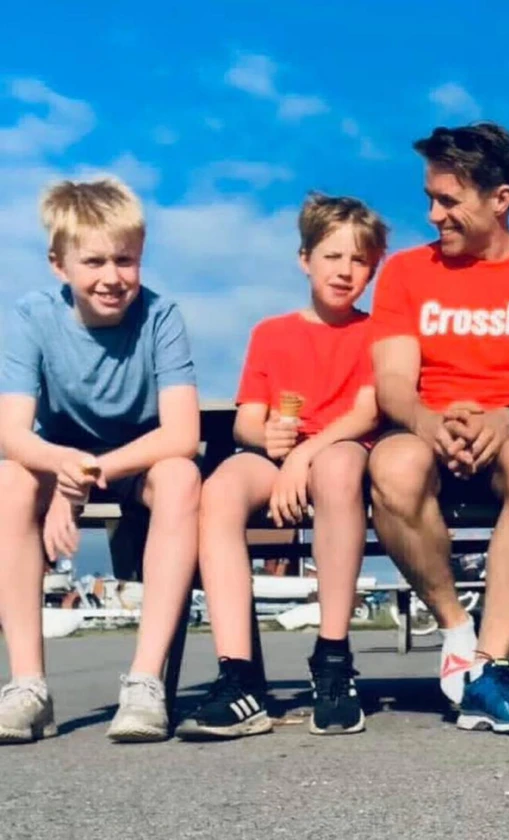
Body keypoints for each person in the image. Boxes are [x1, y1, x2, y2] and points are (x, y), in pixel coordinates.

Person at [369, 122, 509, 734]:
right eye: (430, 199)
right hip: (428, 436)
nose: (433, 215)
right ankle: (459, 633)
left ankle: (491, 667)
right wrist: (428, 421)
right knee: (391, 464)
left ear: (500, 198)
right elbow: (393, 382)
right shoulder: (407, 273)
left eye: (449, 201)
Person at [176, 194, 387, 740]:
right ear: (305, 260)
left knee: (337, 469)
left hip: (340, 450)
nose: (344, 270)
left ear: (373, 269)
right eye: (332, 256)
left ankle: (333, 659)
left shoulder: (376, 333)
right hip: (279, 459)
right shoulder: (271, 333)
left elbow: (367, 414)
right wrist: (267, 436)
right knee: (221, 488)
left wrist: (304, 456)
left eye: (359, 260)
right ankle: (239, 676)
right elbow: (248, 421)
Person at [0, 179, 201, 744]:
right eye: (93, 262)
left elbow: (182, 434)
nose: (111, 277)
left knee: (183, 476)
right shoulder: (32, 316)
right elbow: (12, 433)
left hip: (137, 458)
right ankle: (27, 687)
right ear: (59, 265)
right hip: (58, 455)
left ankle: (145, 682)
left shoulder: (161, 317)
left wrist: (86, 479)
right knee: (10, 482)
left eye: (125, 260)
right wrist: (64, 471)